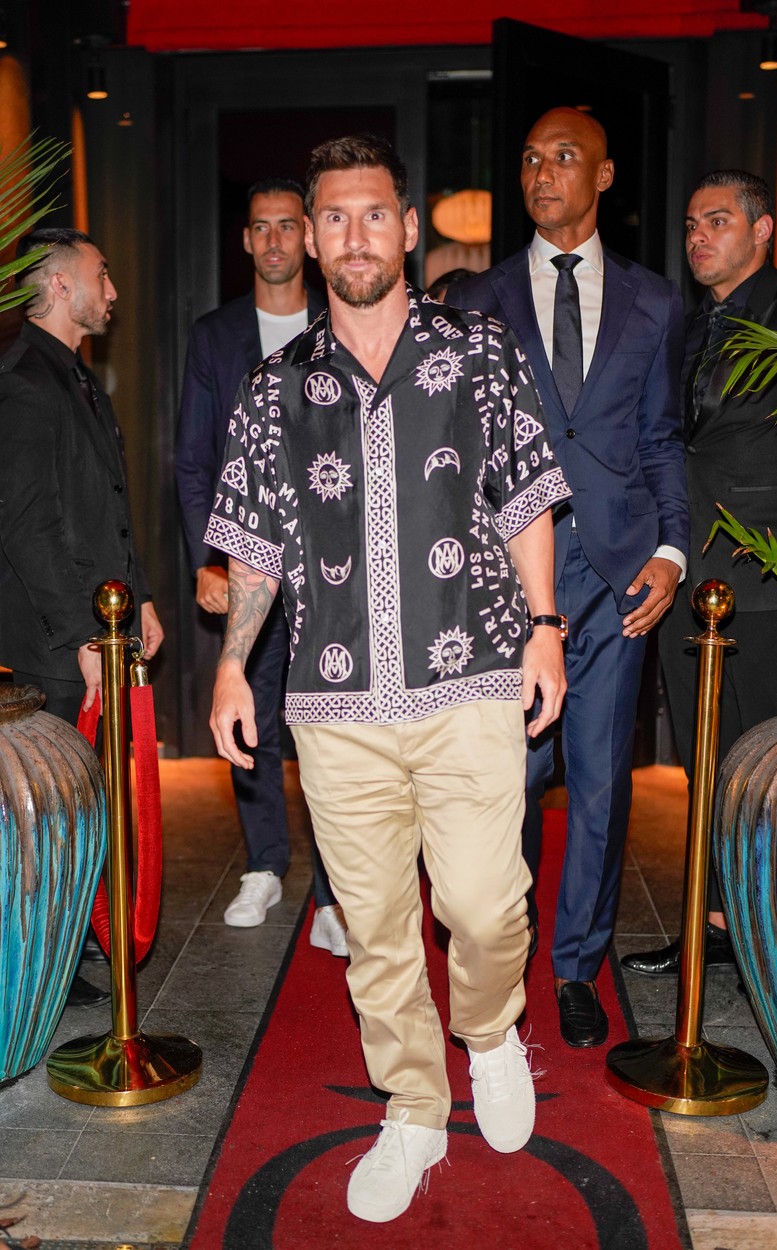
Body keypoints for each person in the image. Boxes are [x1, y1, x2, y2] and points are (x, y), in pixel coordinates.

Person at [208, 134, 571, 1223]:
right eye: (333, 217)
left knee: (480, 900)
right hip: (333, 703)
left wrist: (545, 626)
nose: (354, 235)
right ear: (309, 237)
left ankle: (490, 1028)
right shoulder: (275, 389)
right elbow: (255, 545)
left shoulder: (478, 349)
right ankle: (411, 1106)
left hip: (469, 680)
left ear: (407, 229)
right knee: (372, 926)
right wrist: (232, 668)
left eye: (374, 214)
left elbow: (524, 497)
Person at [446, 107, 688, 1047]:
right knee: (506, 779)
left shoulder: (656, 302)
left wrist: (670, 552)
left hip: (620, 577)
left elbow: (662, 438)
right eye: (530, 158)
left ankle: (575, 965)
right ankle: (498, 958)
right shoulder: (478, 300)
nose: (542, 173)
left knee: (596, 784)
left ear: (605, 175)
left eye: (563, 158)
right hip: (511, 578)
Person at [622, 170, 777, 977]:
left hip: (775, 577)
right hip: (686, 576)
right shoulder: (681, 330)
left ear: (763, 229)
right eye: (688, 224)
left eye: (716, 221)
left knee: (770, 772)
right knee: (703, 765)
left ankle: (772, 943)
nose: (698, 237)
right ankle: (710, 923)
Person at [176, 178, 347, 953]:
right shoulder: (214, 336)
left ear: (308, 237)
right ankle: (266, 864)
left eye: (288, 226)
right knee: (254, 714)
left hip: (336, 563)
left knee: (332, 721)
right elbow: (193, 461)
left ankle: (340, 892)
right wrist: (205, 562)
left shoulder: (343, 318)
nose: (275, 240)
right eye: (261, 228)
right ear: (245, 240)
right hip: (248, 556)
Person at [0, 227, 164, 1007]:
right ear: (61, 286)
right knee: (53, 812)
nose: (115, 292)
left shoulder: (71, 373)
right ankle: (45, 966)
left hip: (96, 628)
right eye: (103, 275)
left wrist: (141, 600)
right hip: (50, 646)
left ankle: (68, 946)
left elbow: (102, 510)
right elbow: (29, 525)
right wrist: (80, 640)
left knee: (88, 802)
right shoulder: (23, 378)